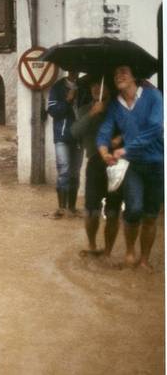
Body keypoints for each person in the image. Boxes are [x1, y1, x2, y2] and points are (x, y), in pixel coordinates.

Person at [96, 65, 163, 271]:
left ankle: (144, 259)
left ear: (135, 75)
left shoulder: (154, 96)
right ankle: (130, 252)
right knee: (133, 209)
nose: (119, 76)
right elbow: (105, 129)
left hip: (158, 163)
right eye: (115, 74)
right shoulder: (115, 105)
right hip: (133, 165)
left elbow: (155, 127)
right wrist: (104, 150)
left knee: (151, 215)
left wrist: (125, 149)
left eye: (124, 72)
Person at [70, 75, 122, 261]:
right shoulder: (85, 109)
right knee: (91, 210)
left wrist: (119, 140)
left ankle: (108, 251)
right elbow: (75, 131)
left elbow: (129, 130)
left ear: (108, 88)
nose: (95, 88)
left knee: (113, 211)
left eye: (99, 85)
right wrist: (93, 113)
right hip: (94, 162)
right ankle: (92, 244)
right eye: (93, 84)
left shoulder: (118, 108)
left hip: (115, 163)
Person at [47, 71, 83, 218]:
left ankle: (72, 208)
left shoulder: (84, 86)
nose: (75, 71)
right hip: (62, 136)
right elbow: (53, 111)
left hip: (79, 136)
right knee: (64, 170)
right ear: (68, 69)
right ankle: (61, 208)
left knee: (75, 172)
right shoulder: (57, 87)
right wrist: (68, 100)